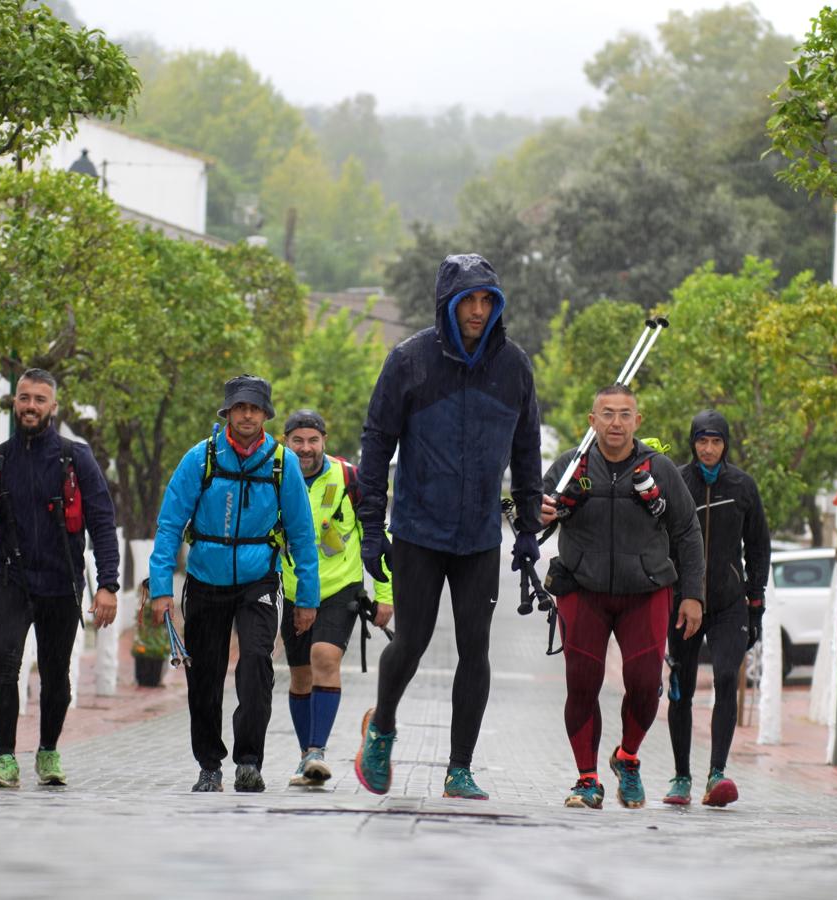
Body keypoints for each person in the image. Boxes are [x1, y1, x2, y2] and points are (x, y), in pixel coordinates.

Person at [352, 253, 543, 801]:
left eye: (487, 301)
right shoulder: (409, 361)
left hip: (480, 536)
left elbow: (527, 450)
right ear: (448, 305)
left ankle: (460, 768)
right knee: (409, 643)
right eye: (469, 302)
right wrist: (371, 525)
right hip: (417, 531)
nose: (478, 311)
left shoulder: (514, 367)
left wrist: (527, 529)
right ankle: (382, 726)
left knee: (475, 649)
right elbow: (376, 441)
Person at [0, 368, 120, 788]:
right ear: (14, 402)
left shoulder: (77, 459)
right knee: (3, 665)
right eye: (24, 398)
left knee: (57, 675)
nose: (31, 406)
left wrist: (108, 584)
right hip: (10, 578)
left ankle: (48, 752)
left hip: (62, 581)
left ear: (53, 407)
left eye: (40, 399)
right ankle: (4, 758)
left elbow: (102, 522)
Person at [148, 375, 320, 793]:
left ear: (265, 414)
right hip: (205, 579)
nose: (247, 414)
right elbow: (170, 524)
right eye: (239, 407)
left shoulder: (282, 464)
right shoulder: (200, 458)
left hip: (259, 579)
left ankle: (249, 761)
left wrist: (308, 598)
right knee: (204, 676)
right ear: (227, 412)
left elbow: (301, 533)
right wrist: (160, 589)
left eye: (254, 408)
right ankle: (209, 765)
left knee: (256, 667)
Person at [537, 386, 704, 810]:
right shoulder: (570, 466)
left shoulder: (659, 468)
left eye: (624, 414)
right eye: (607, 414)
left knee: (647, 685)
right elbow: (530, 514)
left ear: (637, 421)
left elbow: (687, 532)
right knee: (582, 685)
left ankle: (627, 758)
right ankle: (586, 779)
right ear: (591, 420)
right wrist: (538, 511)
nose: (615, 423)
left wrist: (693, 596)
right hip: (582, 587)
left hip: (646, 590)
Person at [277, 409, 393, 787]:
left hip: (340, 588)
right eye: (298, 440)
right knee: (299, 677)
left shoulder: (349, 478)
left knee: (323, 657)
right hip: (293, 590)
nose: (305, 448)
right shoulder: (275, 477)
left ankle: (316, 751)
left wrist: (384, 594)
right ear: (286, 442)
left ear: (324, 441)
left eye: (313, 440)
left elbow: (378, 538)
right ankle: (305, 758)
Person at [665, 409, 771, 807]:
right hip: (683, 601)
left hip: (729, 603)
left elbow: (759, 546)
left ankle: (716, 775)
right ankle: (680, 777)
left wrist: (755, 602)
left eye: (716, 442)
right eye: (702, 441)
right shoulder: (676, 481)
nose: (708, 449)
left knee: (727, 676)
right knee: (682, 688)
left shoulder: (742, 486)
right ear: (692, 443)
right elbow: (659, 540)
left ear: (726, 445)